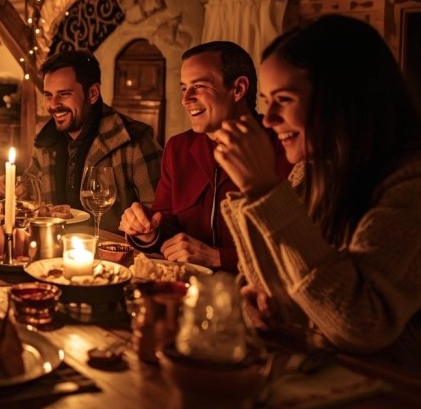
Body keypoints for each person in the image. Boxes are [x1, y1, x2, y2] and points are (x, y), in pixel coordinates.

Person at [213, 15, 421, 382]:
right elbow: (283, 290)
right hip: (339, 377)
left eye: (284, 99)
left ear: (344, 98)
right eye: (266, 100)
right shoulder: (317, 167)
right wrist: (253, 300)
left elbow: (359, 325)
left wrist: (262, 191)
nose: (269, 118)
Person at [120, 42, 292, 272]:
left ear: (238, 89)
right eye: (183, 88)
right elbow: (166, 222)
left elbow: (297, 251)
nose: (186, 99)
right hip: (188, 287)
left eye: (199, 86)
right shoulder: (179, 147)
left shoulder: (287, 149)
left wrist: (217, 257)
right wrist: (147, 232)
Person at [0, 50, 162, 230]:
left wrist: (140, 226)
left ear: (92, 93)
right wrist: (12, 188)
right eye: (48, 95)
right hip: (55, 250)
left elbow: (160, 215)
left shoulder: (133, 140)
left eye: (64, 94)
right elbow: (31, 185)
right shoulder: (45, 141)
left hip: (113, 253)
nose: (53, 104)